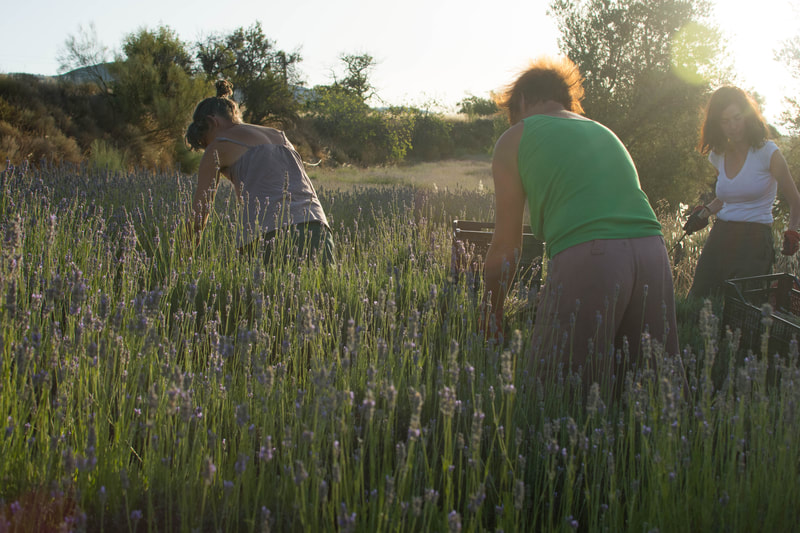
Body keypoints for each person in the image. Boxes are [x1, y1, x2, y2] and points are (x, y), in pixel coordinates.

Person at [483, 56, 679, 392]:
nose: (513, 122)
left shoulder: (515, 138)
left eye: (512, 114)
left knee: (556, 392)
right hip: (653, 253)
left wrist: (493, 311)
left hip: (592, 255)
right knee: (653, 392)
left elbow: (505, 247)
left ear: (523, 100)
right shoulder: (603, 131)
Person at [185, 80, 335, 264]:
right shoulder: (279, 135)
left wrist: (183, 257)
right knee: (320, 283)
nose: (208, 147)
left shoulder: (218, 146)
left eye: (206, 141)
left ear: (212, 121)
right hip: (317, 227)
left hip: (271, 233)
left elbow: (200, 213)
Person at [684, 86, 800, 299]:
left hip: (755, 240)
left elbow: (795, 201)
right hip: (721, 235)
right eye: (725, 121)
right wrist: (704, 212)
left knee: (742, 308)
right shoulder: (717, 155)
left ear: (747, 116)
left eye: (737, 118)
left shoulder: (768, 153)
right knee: (697, 300)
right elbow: (728, 197)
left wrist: (792, 232)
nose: (733, 126)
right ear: (716, 124)